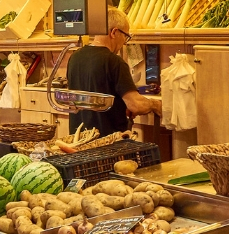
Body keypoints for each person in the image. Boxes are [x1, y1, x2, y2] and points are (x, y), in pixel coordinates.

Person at [67, 7, 161, 137]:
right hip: (107, 144)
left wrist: (121, 105)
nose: (124, 42)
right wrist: (155, 105)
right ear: (114, 32)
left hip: (78, 141)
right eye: (125, 36)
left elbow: (97, 91)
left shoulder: (75, 57)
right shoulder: (115, 62)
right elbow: (136, 105)